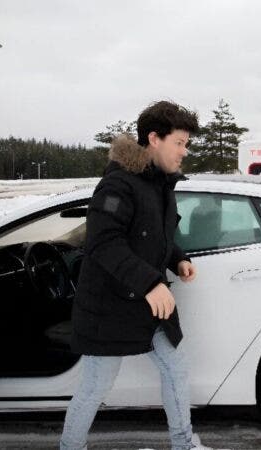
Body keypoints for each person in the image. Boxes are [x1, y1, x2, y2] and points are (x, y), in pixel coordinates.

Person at [61, 100, 208, 450]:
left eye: (186, 144)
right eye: (180, 143)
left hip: (146, 304)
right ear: (154, 139)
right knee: (96, 385)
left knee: (175, 367)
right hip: (110, 307)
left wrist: (178, 259)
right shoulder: (118, 186)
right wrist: (151, 282)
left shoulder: (159, 184)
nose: (184, 152)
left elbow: (154, 236)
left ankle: (183, 444)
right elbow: (103, 243)